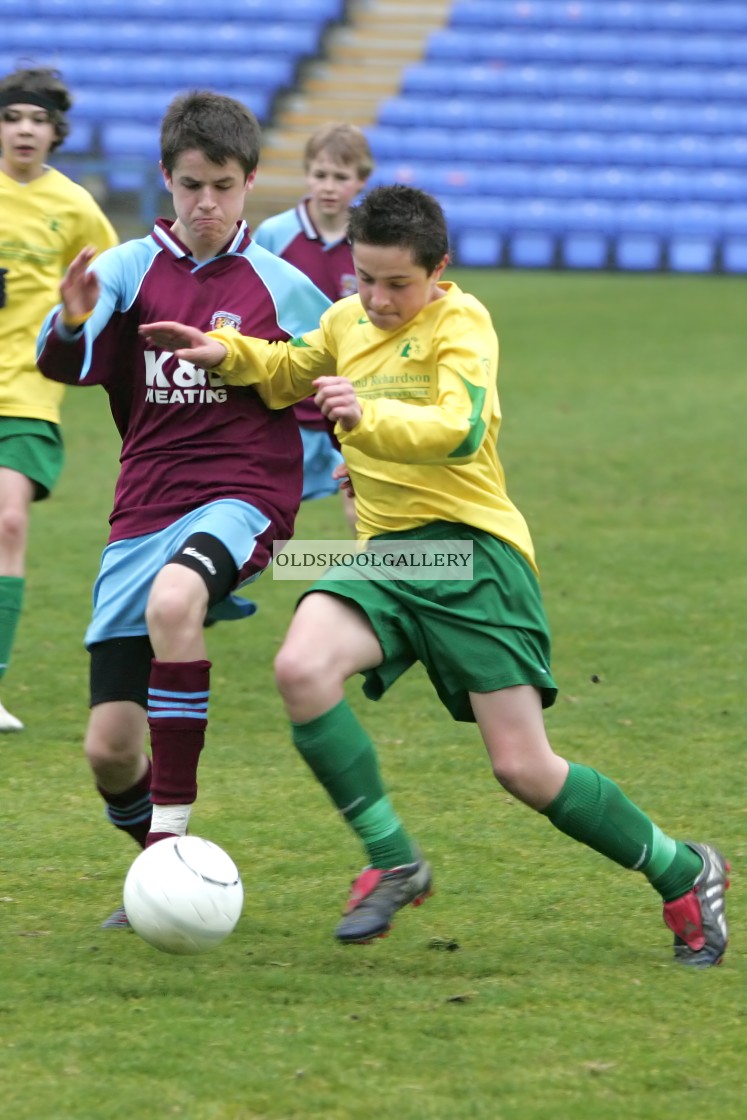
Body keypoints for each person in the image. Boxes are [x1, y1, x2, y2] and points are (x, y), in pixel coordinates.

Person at [139, 184, 729, 968]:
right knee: (299, 668)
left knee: (523, 768)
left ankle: (684, 871)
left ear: (438, 272)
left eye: (397, 285)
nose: (377, 301)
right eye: (364, 279)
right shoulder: (346, 322)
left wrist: (364, 418)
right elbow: (288, 372)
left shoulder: (463, 323)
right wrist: (231, 355)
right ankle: (392, 859)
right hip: (390, 558)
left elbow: (456, 429)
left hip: (473, 558)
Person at [36, 90, 330, 928]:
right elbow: (65, 361)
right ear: (166, 178)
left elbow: (332, 374)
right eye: (192, 184)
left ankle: (172, 842)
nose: (207, 204)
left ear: (248, 185)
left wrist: (349, 458)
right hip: (144, 504)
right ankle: (165, 879)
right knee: (108, 750)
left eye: (225, 187)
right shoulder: (129, 267)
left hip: (243, 494)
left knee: (176, 601)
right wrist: (74, 313)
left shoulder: (282, 285)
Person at [0, 66, 118, 732]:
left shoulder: (74, 206)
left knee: (8, 522)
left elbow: (112, 287)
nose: (25, 129)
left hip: (26, 388)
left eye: (38, 120)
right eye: (14, 116)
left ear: (54, 132)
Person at [253, 122, 374, 531]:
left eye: (341, 177)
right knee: (268, 520)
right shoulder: (275, 234)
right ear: (307, 173)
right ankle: (223, 589)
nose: (328, 186)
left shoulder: (371, 240)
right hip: (290, 403)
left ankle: (377, 589)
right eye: (320, 174)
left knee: (364, 507)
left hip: (353, 397)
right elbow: (252, 305)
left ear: (360, 181)